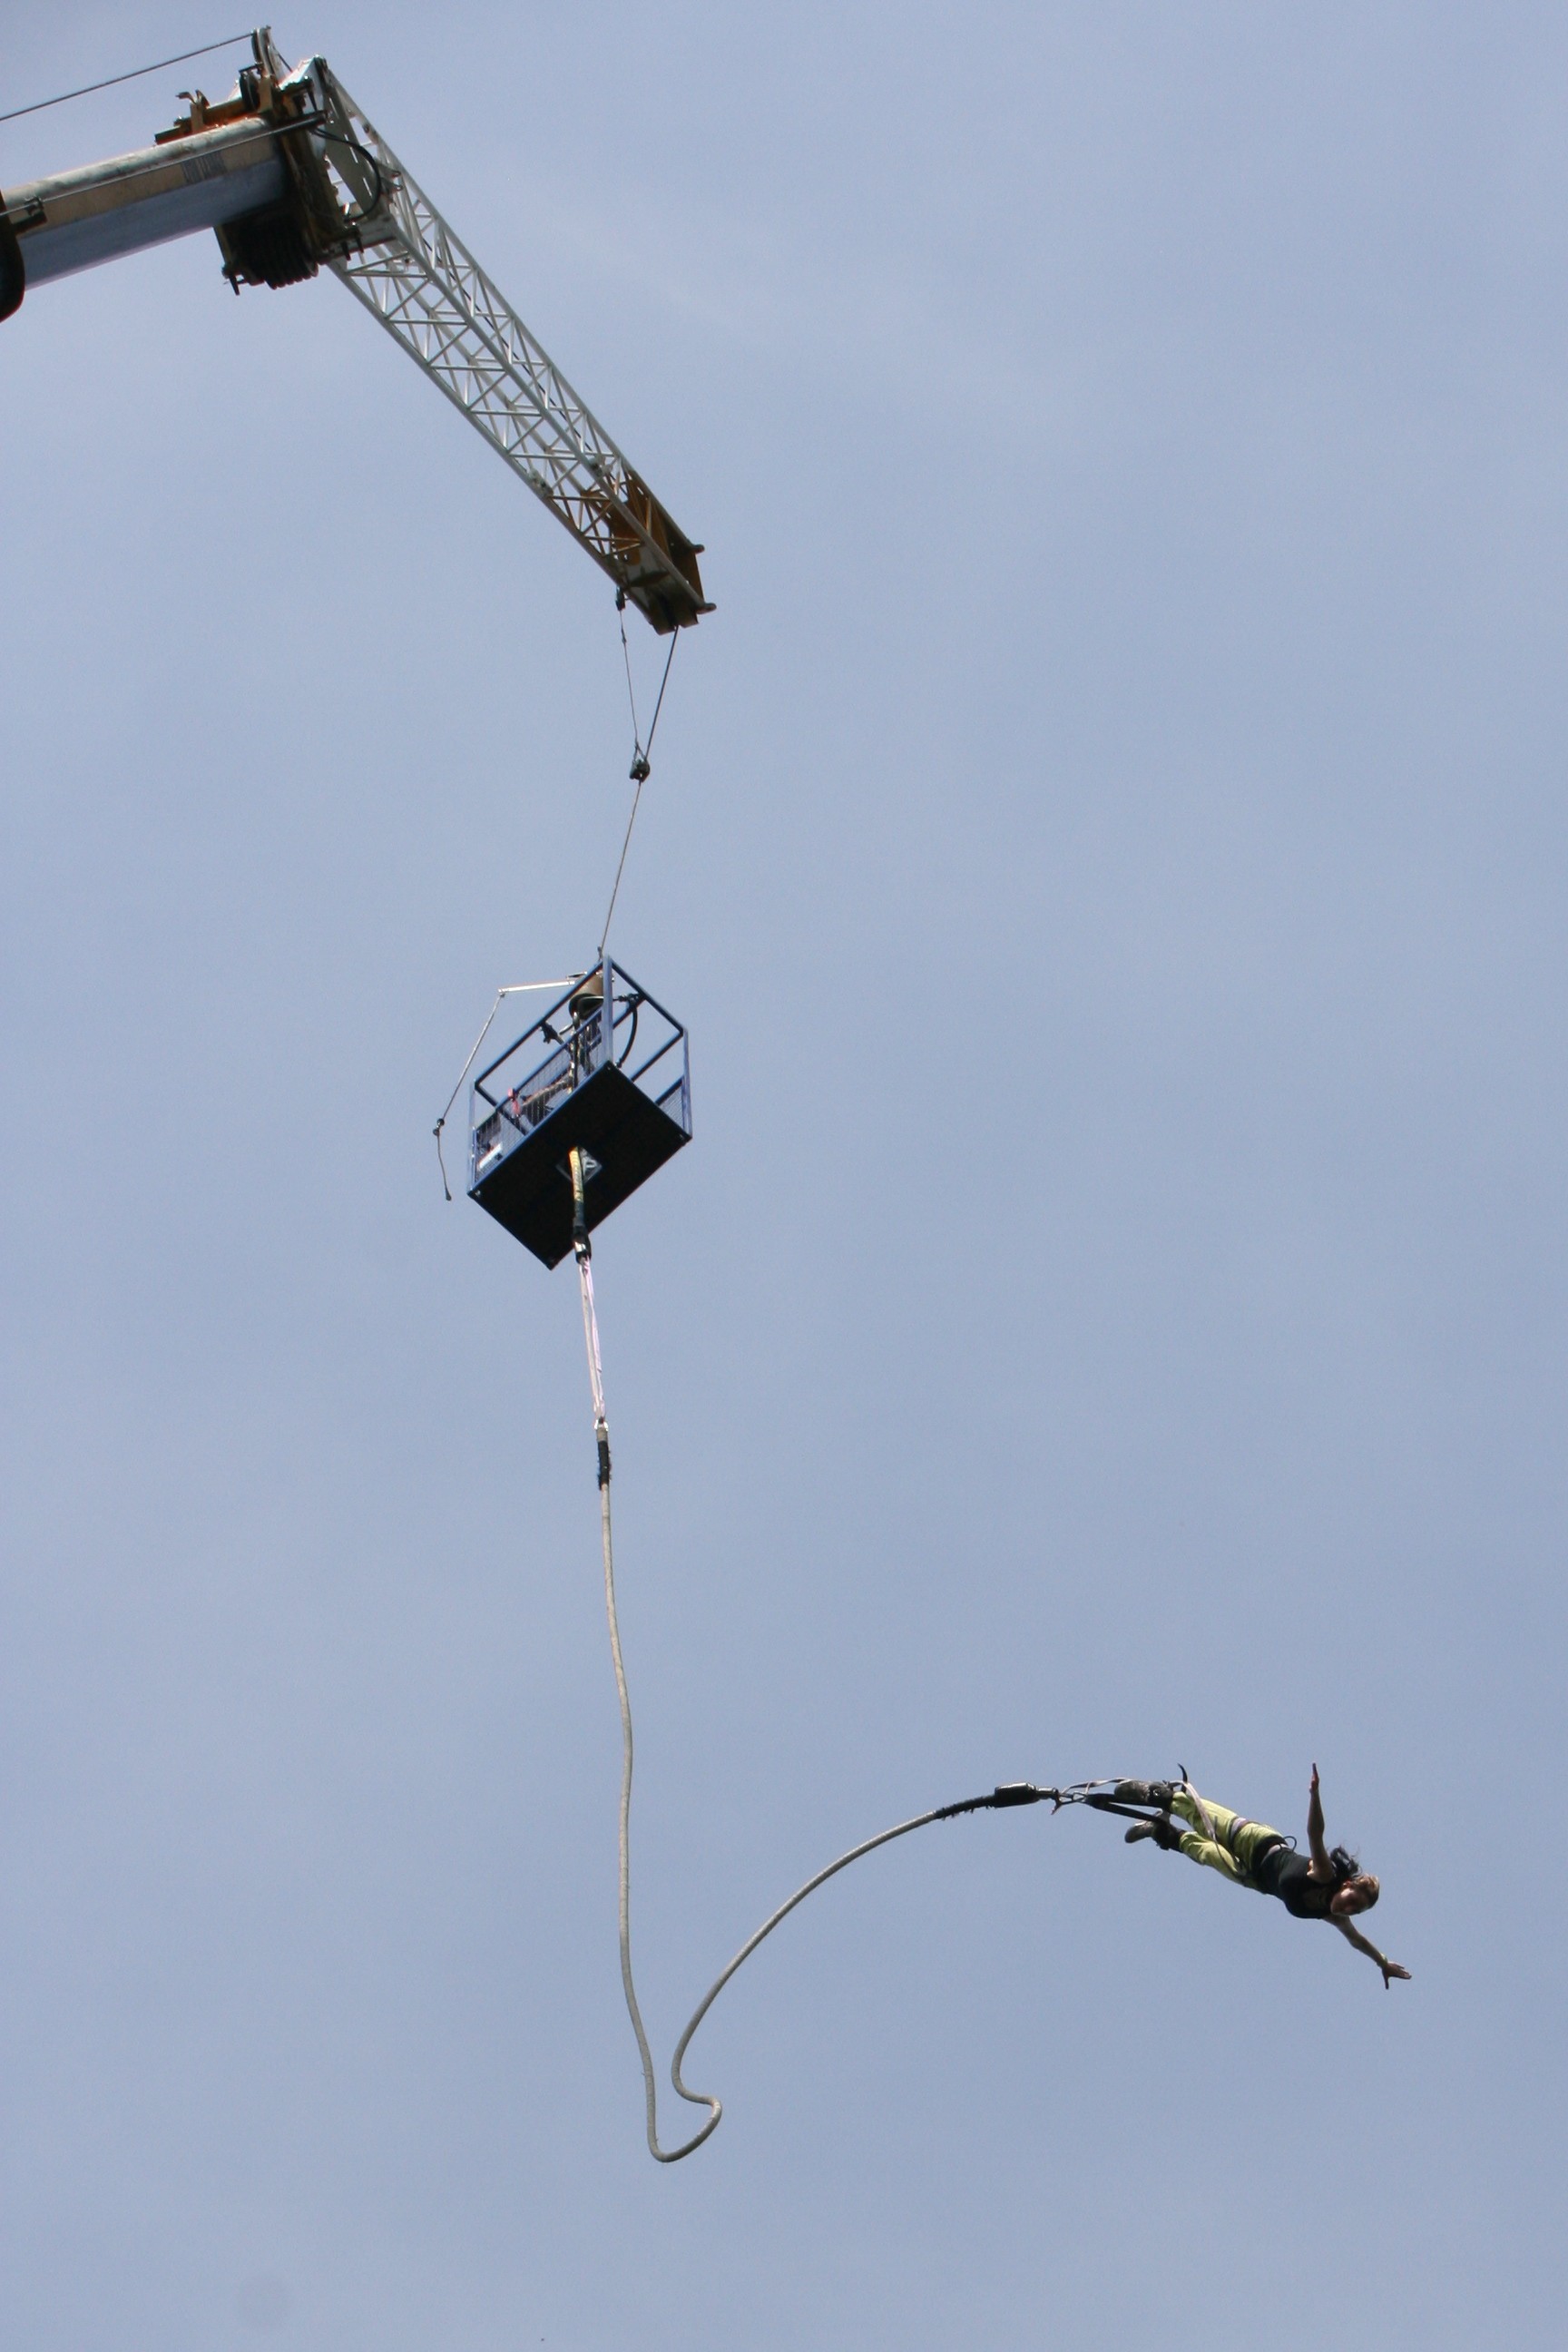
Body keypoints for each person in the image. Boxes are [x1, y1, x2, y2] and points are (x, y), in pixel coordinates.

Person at [1117, 1765, 1411, 1989]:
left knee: (1203, 1853)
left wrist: (1382, 1963)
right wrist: (1315, 1795)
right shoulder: (1325, 1874)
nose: (1348, 1909)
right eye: (1351, 1901)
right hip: (1258, 1843)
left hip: (1254, 1877)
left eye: (1355, 1910)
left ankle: (1157, 1830)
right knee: (1201, 1819)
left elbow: (1358, 1941)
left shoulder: (1333, 1916)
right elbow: (1315, 1834)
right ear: (1346, 1886)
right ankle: (1157, 1793)